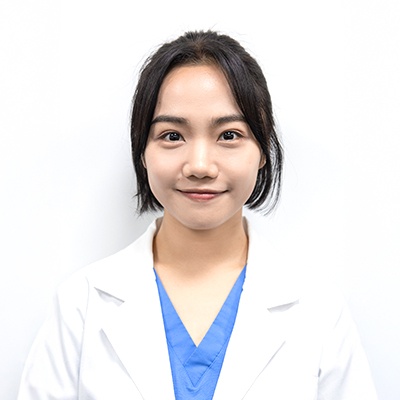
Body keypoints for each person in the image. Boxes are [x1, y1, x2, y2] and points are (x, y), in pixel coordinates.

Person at [18, 30, 378, 399]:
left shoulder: (319, 311)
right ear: (142, 152)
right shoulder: (81, 304)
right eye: (172, 136)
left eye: (229, 135)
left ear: (263, 150)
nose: (200, 166)